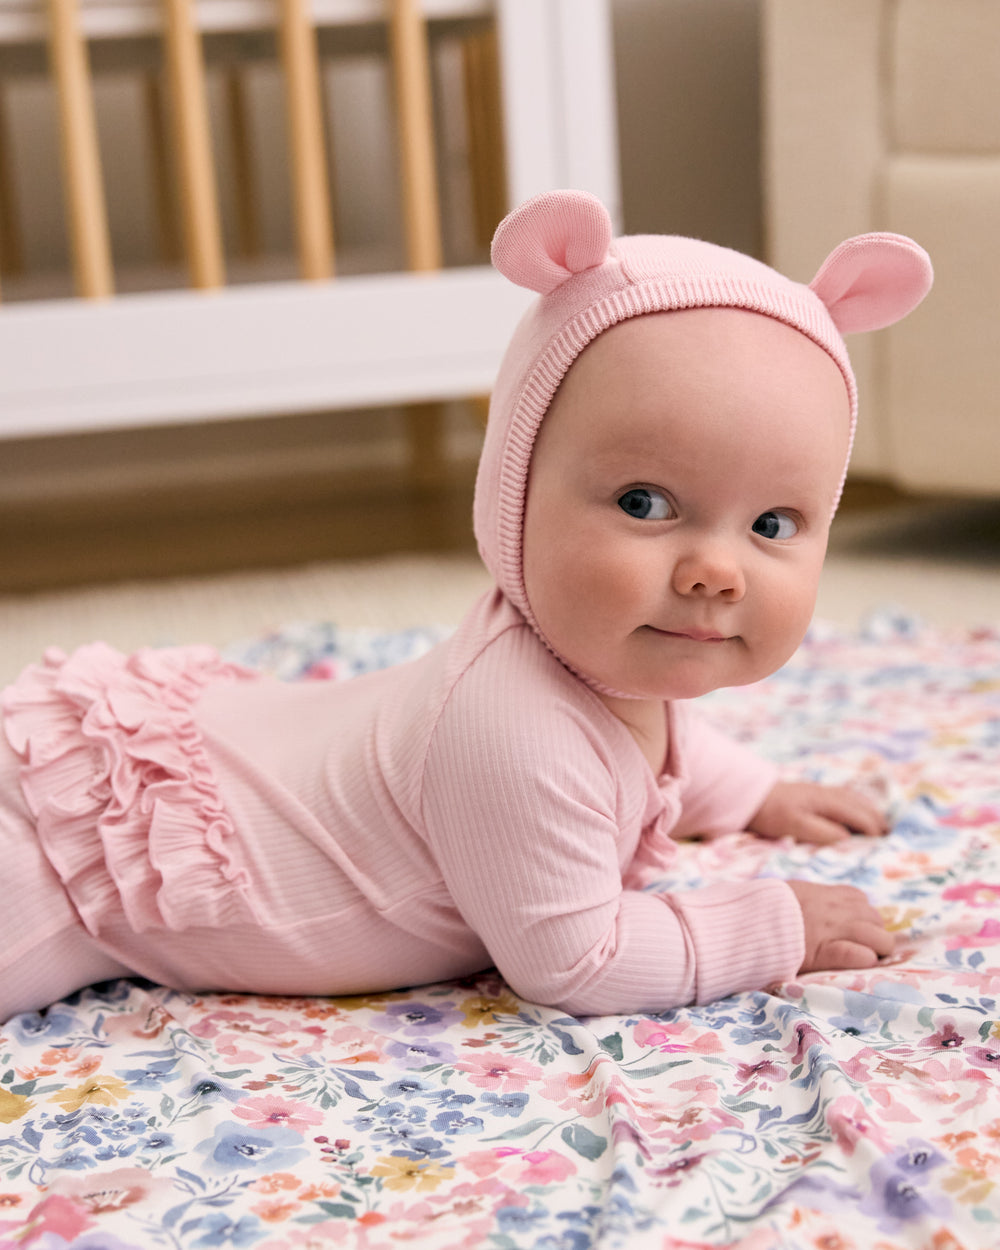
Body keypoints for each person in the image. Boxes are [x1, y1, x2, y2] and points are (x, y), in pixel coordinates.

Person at [0, 190, 933, 1023]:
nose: (715, 573)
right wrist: (773, 924)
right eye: (645, 503)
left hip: (218, 751)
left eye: (773, 524)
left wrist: (754, 793)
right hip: (78, 867)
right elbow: (577, 961)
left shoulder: (608, 655)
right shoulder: (511, 729)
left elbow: (654, 737)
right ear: (514, 489)